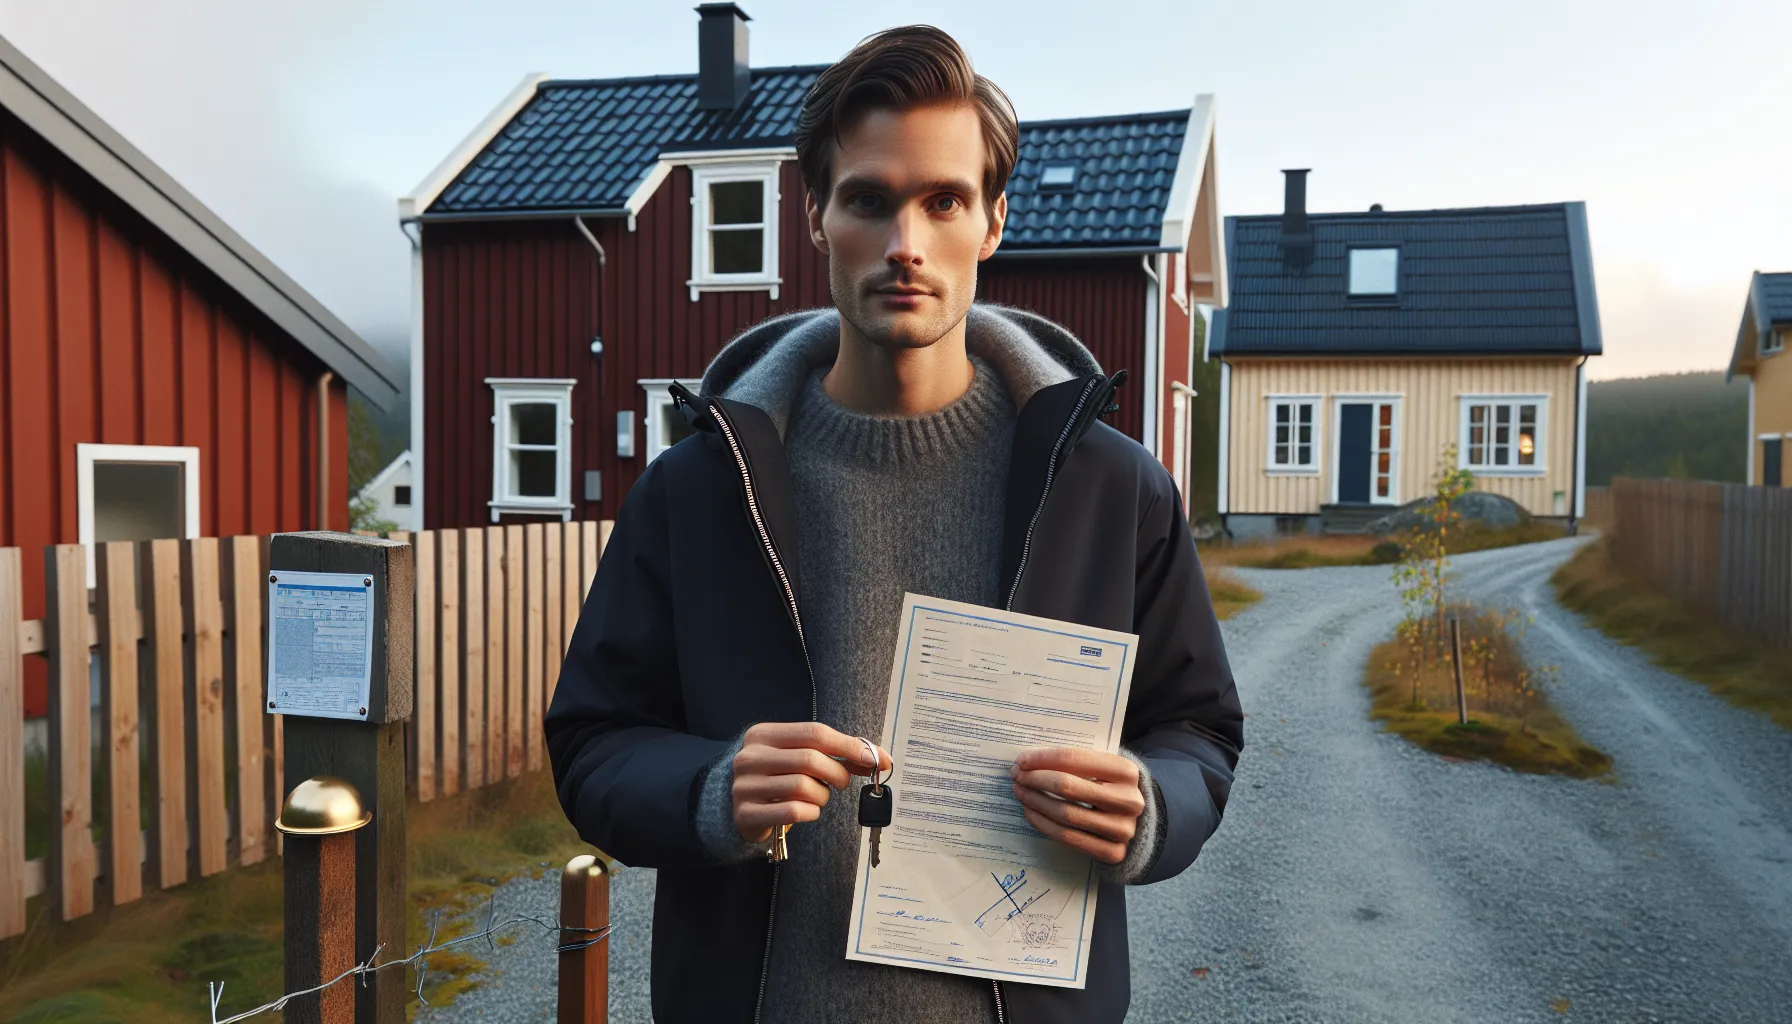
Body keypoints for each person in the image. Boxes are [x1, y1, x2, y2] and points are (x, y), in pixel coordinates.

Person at [546, 24, 1243, 1024]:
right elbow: (594, 740)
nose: (905, 244)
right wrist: (708, 787)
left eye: (943, 201)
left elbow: (1199, 728)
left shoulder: (1111, 489)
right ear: (817, 217)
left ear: (993, 222)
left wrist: (1151, 802)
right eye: (869, 200)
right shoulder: (696, 490)